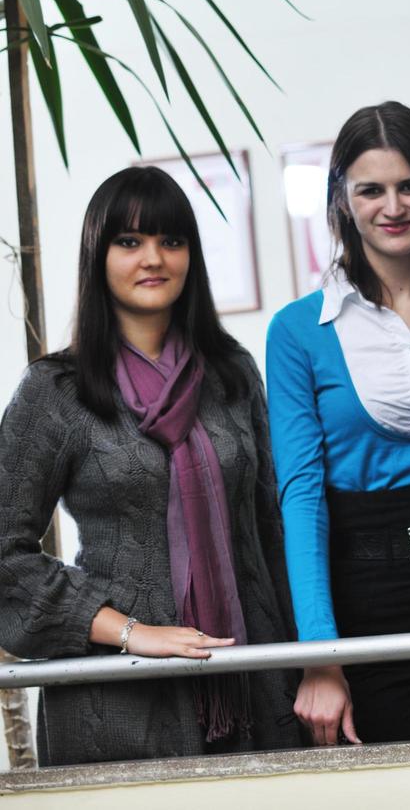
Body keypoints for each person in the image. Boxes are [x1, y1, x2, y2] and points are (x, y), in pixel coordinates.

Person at [0, 166, 299, 766]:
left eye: (171, 240)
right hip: (119, 701)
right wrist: (132, 632)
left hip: (250, 680)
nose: (153, 258)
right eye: (129, 242)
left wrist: (311, 666)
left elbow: (271, 529)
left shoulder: (231, 374)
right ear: (98, 255)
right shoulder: (57, 390)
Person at [266, 102, 410, 745]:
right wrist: (319, 656)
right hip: (370, 596)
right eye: (371, 189)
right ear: (342, 200)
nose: (392, 206)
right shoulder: (297, 332)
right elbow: (301, 497)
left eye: (409, 185)